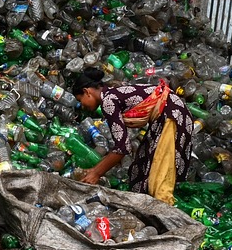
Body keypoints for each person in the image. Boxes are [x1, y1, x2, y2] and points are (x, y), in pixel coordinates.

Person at [66, 68, 194, 204]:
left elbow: (122, 147)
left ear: (87, 92)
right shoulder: (111, 94)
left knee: (159, 179)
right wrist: (94, 170)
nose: (83, 106)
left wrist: (96, 173)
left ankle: (167, 217)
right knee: (141, 168)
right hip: (166, 115)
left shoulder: (108, 102)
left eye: (81, 100)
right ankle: (146, 210)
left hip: (171, 115)